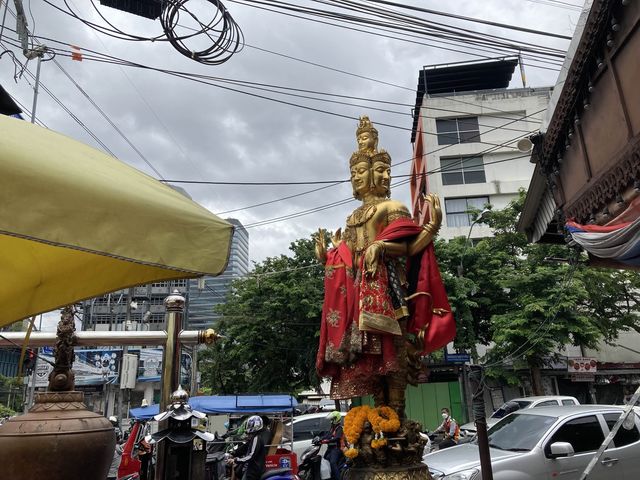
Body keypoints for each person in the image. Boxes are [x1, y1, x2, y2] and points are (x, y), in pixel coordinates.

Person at [315, 116, 455, 418]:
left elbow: (409, 247)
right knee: (369, 356)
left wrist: (430, 226)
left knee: (395, 350)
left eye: (379, 170)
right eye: (356, 172)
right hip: (358, 291)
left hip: (389, 287)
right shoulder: (353, 216)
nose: (360, 177)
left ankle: (399, 416)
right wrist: (327, 256)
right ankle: (382, 416)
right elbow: (349, 258)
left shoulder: (393, 208)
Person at [230, 415, 267, 480]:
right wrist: (233, 453)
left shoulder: (256, 438)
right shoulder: (253, 437)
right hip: (251, 467)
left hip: (255, 470)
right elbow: (244, 448)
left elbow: (251, 456)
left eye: (250, 425)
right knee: (238, 472)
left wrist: (236, 460)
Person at [321, 411, 345, 480]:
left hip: (337, 449)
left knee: (332, 463)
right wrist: (320, 439)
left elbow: (337, 438)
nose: (331, 421)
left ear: (336, 419)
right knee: (325, 460)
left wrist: (328, 440)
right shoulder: (332, 428)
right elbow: (327, 435)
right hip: (330, 449)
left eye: (333, 419)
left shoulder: (339, 428)